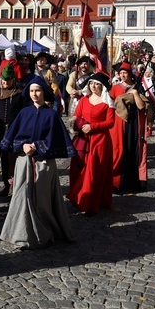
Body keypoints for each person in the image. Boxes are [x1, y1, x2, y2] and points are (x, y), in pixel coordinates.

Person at [0, 76, 75, 249]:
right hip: (24, 162)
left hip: (43, 163)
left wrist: (37, 146)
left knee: (43, 199)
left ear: (44, 92)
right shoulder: (24, 112)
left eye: (37, 90)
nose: (34, 94)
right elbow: (11, 138)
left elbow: (56, 139)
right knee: (22, 196)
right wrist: (23, 145)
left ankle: (45, 232)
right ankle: (21, 233)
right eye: (32, 91)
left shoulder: (52, 114)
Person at [68, 72, 115, 215]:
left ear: (102, 86)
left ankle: (92, 203)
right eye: (91, 83)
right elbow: (77, 116)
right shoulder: (84, 100)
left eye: (96, 84)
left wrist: (92, 127)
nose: (93, 86)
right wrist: (82, 125)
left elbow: (110, 122)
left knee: (95, 172)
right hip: (83, 140)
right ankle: (79, 197)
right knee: (80, 169)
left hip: (99, 141)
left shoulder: (107, 102)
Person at [110, 62, 149, 192]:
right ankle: (118, 182)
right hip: (120, 123)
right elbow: (111, 105)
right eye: (121, 73)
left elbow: (142, 107)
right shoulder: (115, 88)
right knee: (120, 150)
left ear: (130, 74)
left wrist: (135, 93)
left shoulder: (138, 87)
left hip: (134, 123)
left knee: (133, 150)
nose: (122, 75)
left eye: (125, 72)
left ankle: (133, 182)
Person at [0, 64, 25, 196]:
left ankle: (15, 186)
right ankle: (6, 184)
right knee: (3, 158)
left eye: (8, 80)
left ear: (13, 80)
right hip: (0, 131)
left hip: (14, 131)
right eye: (3, 81)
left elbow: (24, 113)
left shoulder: (19, 94)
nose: (5, 83)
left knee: (14, 159)